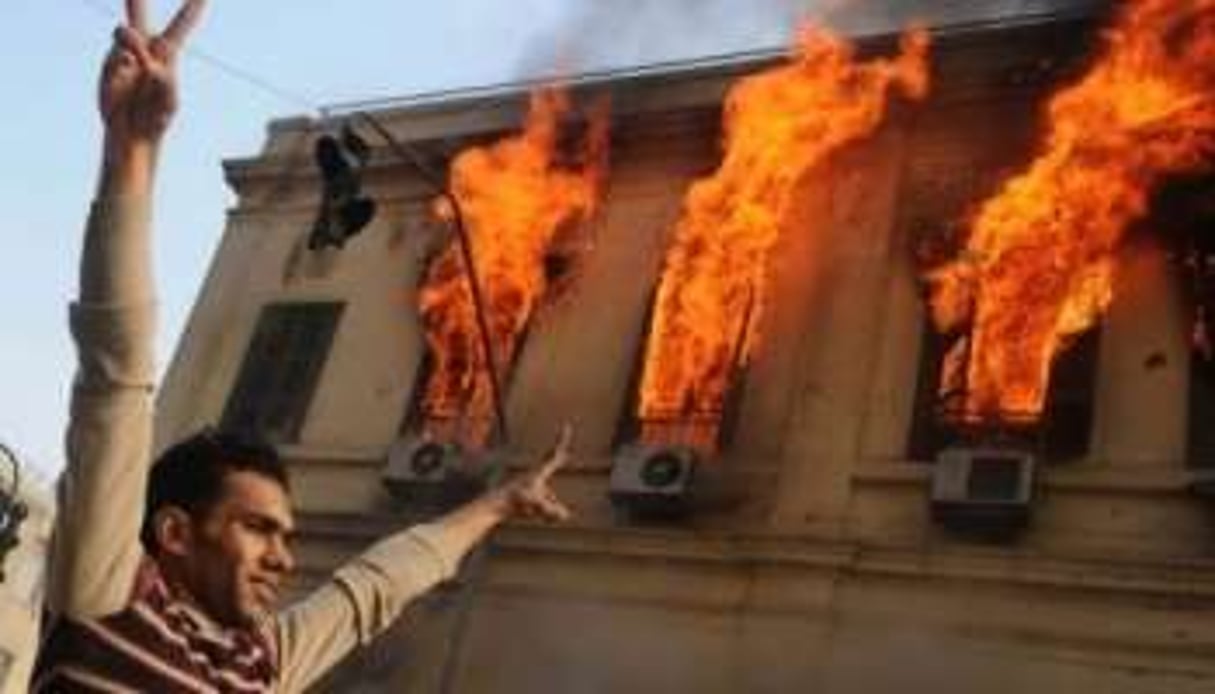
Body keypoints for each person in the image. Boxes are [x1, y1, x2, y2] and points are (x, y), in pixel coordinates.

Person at [33, 1, 573, 691]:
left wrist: (498, 504)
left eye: (284, 535)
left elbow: (374, 587)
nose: (284, 559)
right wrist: (131, 157)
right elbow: (116, 373)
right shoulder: (106, 595)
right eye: (257, 529)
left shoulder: (261, 664)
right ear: (172, 534)